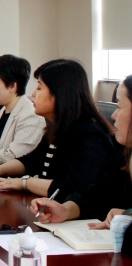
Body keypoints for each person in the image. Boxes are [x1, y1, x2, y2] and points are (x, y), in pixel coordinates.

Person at [0, 59, 116, 202]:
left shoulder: (90, 135)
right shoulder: (57, 127)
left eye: (39, 88)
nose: (33, 94)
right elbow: (31, 161)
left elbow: (74, 188)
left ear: (59, 93)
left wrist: (24, 183)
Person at [28, 73, 132, 227]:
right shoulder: (123, 152)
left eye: (119, 107)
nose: (114, 115)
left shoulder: (91, 134)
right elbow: (97, 193)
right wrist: (66, 210)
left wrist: (128, 215)